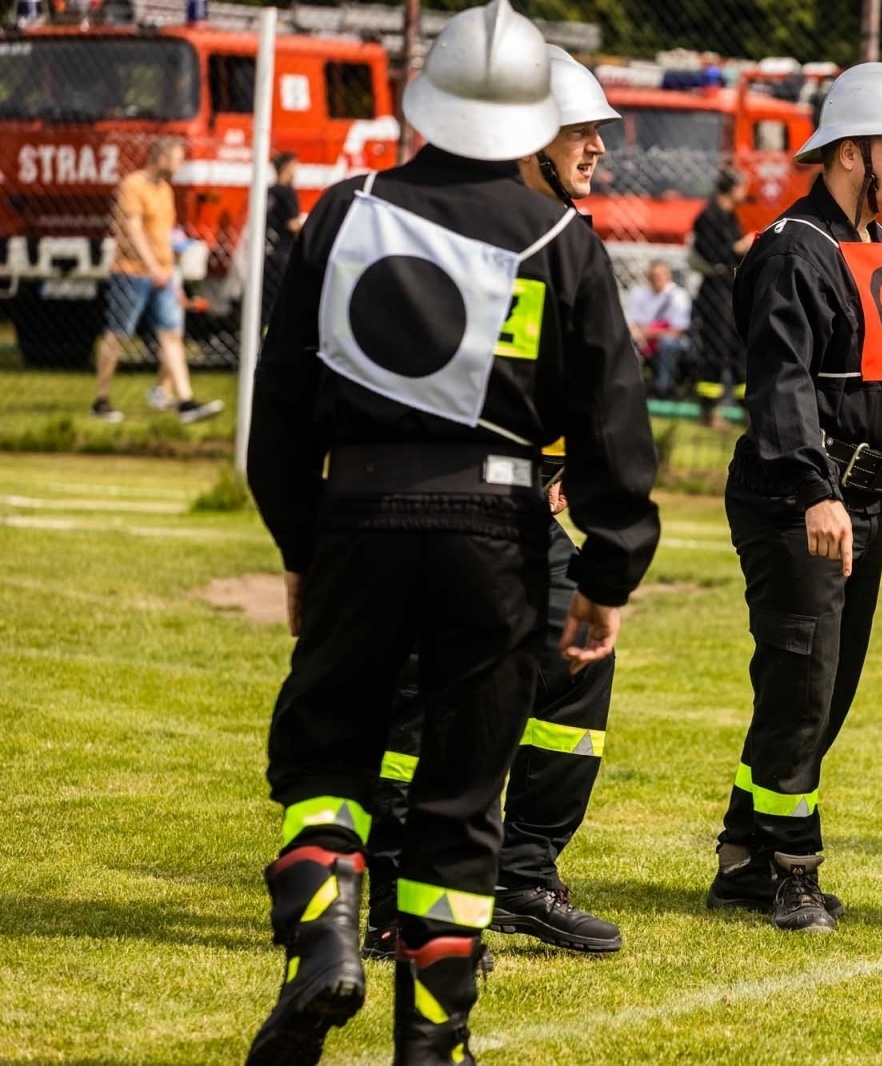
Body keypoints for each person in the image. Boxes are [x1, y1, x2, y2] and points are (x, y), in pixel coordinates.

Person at [243, 4, 659, 1062]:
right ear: (531, 117)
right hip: (500, 536)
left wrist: (302, 547)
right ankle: (432, 1041)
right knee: (464, 797)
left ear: (426, 104)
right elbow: (614, 419)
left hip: (359, 515)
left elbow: (279, 409)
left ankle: (326, 935)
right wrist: (608, 572)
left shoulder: (345, 212)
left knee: (325, 756)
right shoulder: (561, 241)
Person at [360, 42, 635, 962]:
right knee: (409, 694)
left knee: (577, 662)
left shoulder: (567, 241)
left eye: (599, 132)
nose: (596, 148)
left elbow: (587, 392)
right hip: (421, 503)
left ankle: (521, 874)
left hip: (524, 507)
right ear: (524, 135)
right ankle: (395, 891)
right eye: (578, 130)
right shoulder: (428, 226)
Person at [708, 61, 882, 934]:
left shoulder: (881, 247)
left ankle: (742, 852)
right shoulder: (790, 248)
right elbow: (781, 389)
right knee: (804, 685)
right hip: (798, 500)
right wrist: (815, 491)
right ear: (850, 154)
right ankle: (791, 869)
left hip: (865, 498)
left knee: (828, 688)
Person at [92, 137, 222, 424]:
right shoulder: (133, 186)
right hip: (131, 272)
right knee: (118, 335)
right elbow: (134, 230)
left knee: (171, 335)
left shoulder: (165, 190)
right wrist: (152, 267)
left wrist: (171, 276)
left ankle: (186, 401)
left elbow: (164, 236)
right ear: (160, 158)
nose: (179, 165)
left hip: (163, 274)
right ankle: (100, 400)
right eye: (176, 159)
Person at [689, 170, 753, 426]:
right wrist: (739, 247)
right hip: (715, 289)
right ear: (732, 187)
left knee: (739, 347)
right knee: (715, 347)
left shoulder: (729, 215)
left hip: (731, 287)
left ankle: (746, 409)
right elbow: (712, 252)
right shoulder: (710, 216)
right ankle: (709, 409)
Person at [626, 259, 692, 397]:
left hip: (670, 339)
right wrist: (638, 335)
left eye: (660, 275)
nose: (656, 279)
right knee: (628, 342)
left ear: (668, 276)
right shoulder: (639, 294)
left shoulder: (678, 296)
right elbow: (633, 323)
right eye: (653, 276)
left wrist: (648, 334)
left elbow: (679, 330)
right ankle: (631, 386)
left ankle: (664, 388)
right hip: (643, 337)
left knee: (667, 343)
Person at [263, 150, 303, 317]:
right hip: (284, 251)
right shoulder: (287, 193)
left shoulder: (269, 191)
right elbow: (292, 224)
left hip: (268, 249)